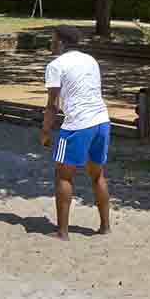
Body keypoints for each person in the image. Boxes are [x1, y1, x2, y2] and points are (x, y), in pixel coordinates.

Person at [41, 25, 111, 241]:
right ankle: (105, 226)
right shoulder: (90, 60)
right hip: (101, 121)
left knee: (63, 175)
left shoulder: (55, 65)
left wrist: (45, 131)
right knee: (97, 175)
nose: (51, 44)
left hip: (76, 126)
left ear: (61, 42)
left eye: (52, 40)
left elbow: (52, 105)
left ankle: (62, 232)